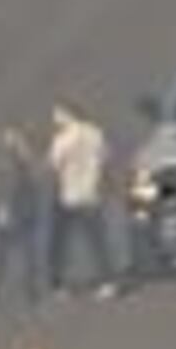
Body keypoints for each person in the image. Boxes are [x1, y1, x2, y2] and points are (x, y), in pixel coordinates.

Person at [44, 102, 117, 295]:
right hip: (91, 194)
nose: (54, 119)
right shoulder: (96, 134)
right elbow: (106, 159)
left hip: (68, 196)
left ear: (67, 114)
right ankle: (108, 282)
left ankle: (57, 283)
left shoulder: (63, 139)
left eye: (57, 114)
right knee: (97, 241)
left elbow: (53, 165)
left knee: (59, 241)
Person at [0, 126, 50, 308]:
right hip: (28, 216)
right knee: (28, 256)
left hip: (12, 218)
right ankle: (31, 293)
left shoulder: (10, 168)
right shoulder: (31, 167)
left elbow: (8, 193)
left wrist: (4, 213)